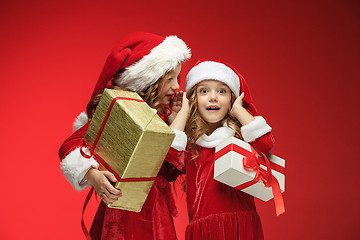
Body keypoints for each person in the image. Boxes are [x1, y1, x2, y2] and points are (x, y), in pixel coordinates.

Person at [58, 32, 191, 240]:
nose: (176, 86)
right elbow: (69, 147)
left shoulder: (164, 117)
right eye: (170, 79)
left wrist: (176, 118)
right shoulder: (120, 112)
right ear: (149, 80)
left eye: (178, 78)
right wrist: (93, 176)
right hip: (121, 212)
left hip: (156, 211)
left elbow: (171, 169)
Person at [166, 59, 275, 240]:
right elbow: (169, 154)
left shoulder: (238, 136)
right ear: (193, 99)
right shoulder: (191, 143)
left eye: (222, 91)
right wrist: (183, 114)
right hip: (204, 231)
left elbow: (265, 143)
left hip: (240, 227)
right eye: (204, 91)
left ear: (232, 98)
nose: (213, 97)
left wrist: (239, 110)